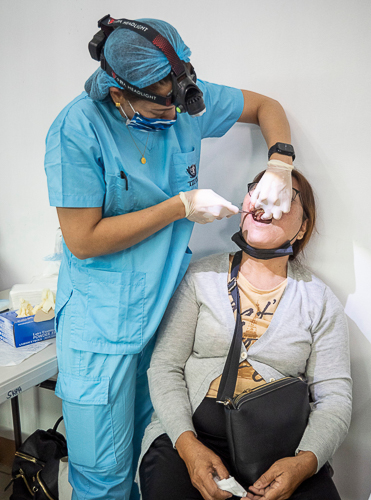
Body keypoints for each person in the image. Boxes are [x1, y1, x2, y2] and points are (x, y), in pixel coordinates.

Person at [44, 15, 299, 500]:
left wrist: (280, 163)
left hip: (163, 318)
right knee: (103, 478)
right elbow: (83, 239)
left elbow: (267, 106)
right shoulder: (77, 129)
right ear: (119, 94)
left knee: (148, 456)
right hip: (101, 328)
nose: (174, 118)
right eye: (159, 107)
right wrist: (178, 208)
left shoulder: (184, 97)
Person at [138, 168, 352, 500]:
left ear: (303, 228)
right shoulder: (200, 276)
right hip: (188, 436)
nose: (267, 202)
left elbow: (335, 399)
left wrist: (304, 462)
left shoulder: (319, 300)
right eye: (258, 191)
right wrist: (187, 444)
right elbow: (164, 367)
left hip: (282, 448)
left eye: (284, 196)